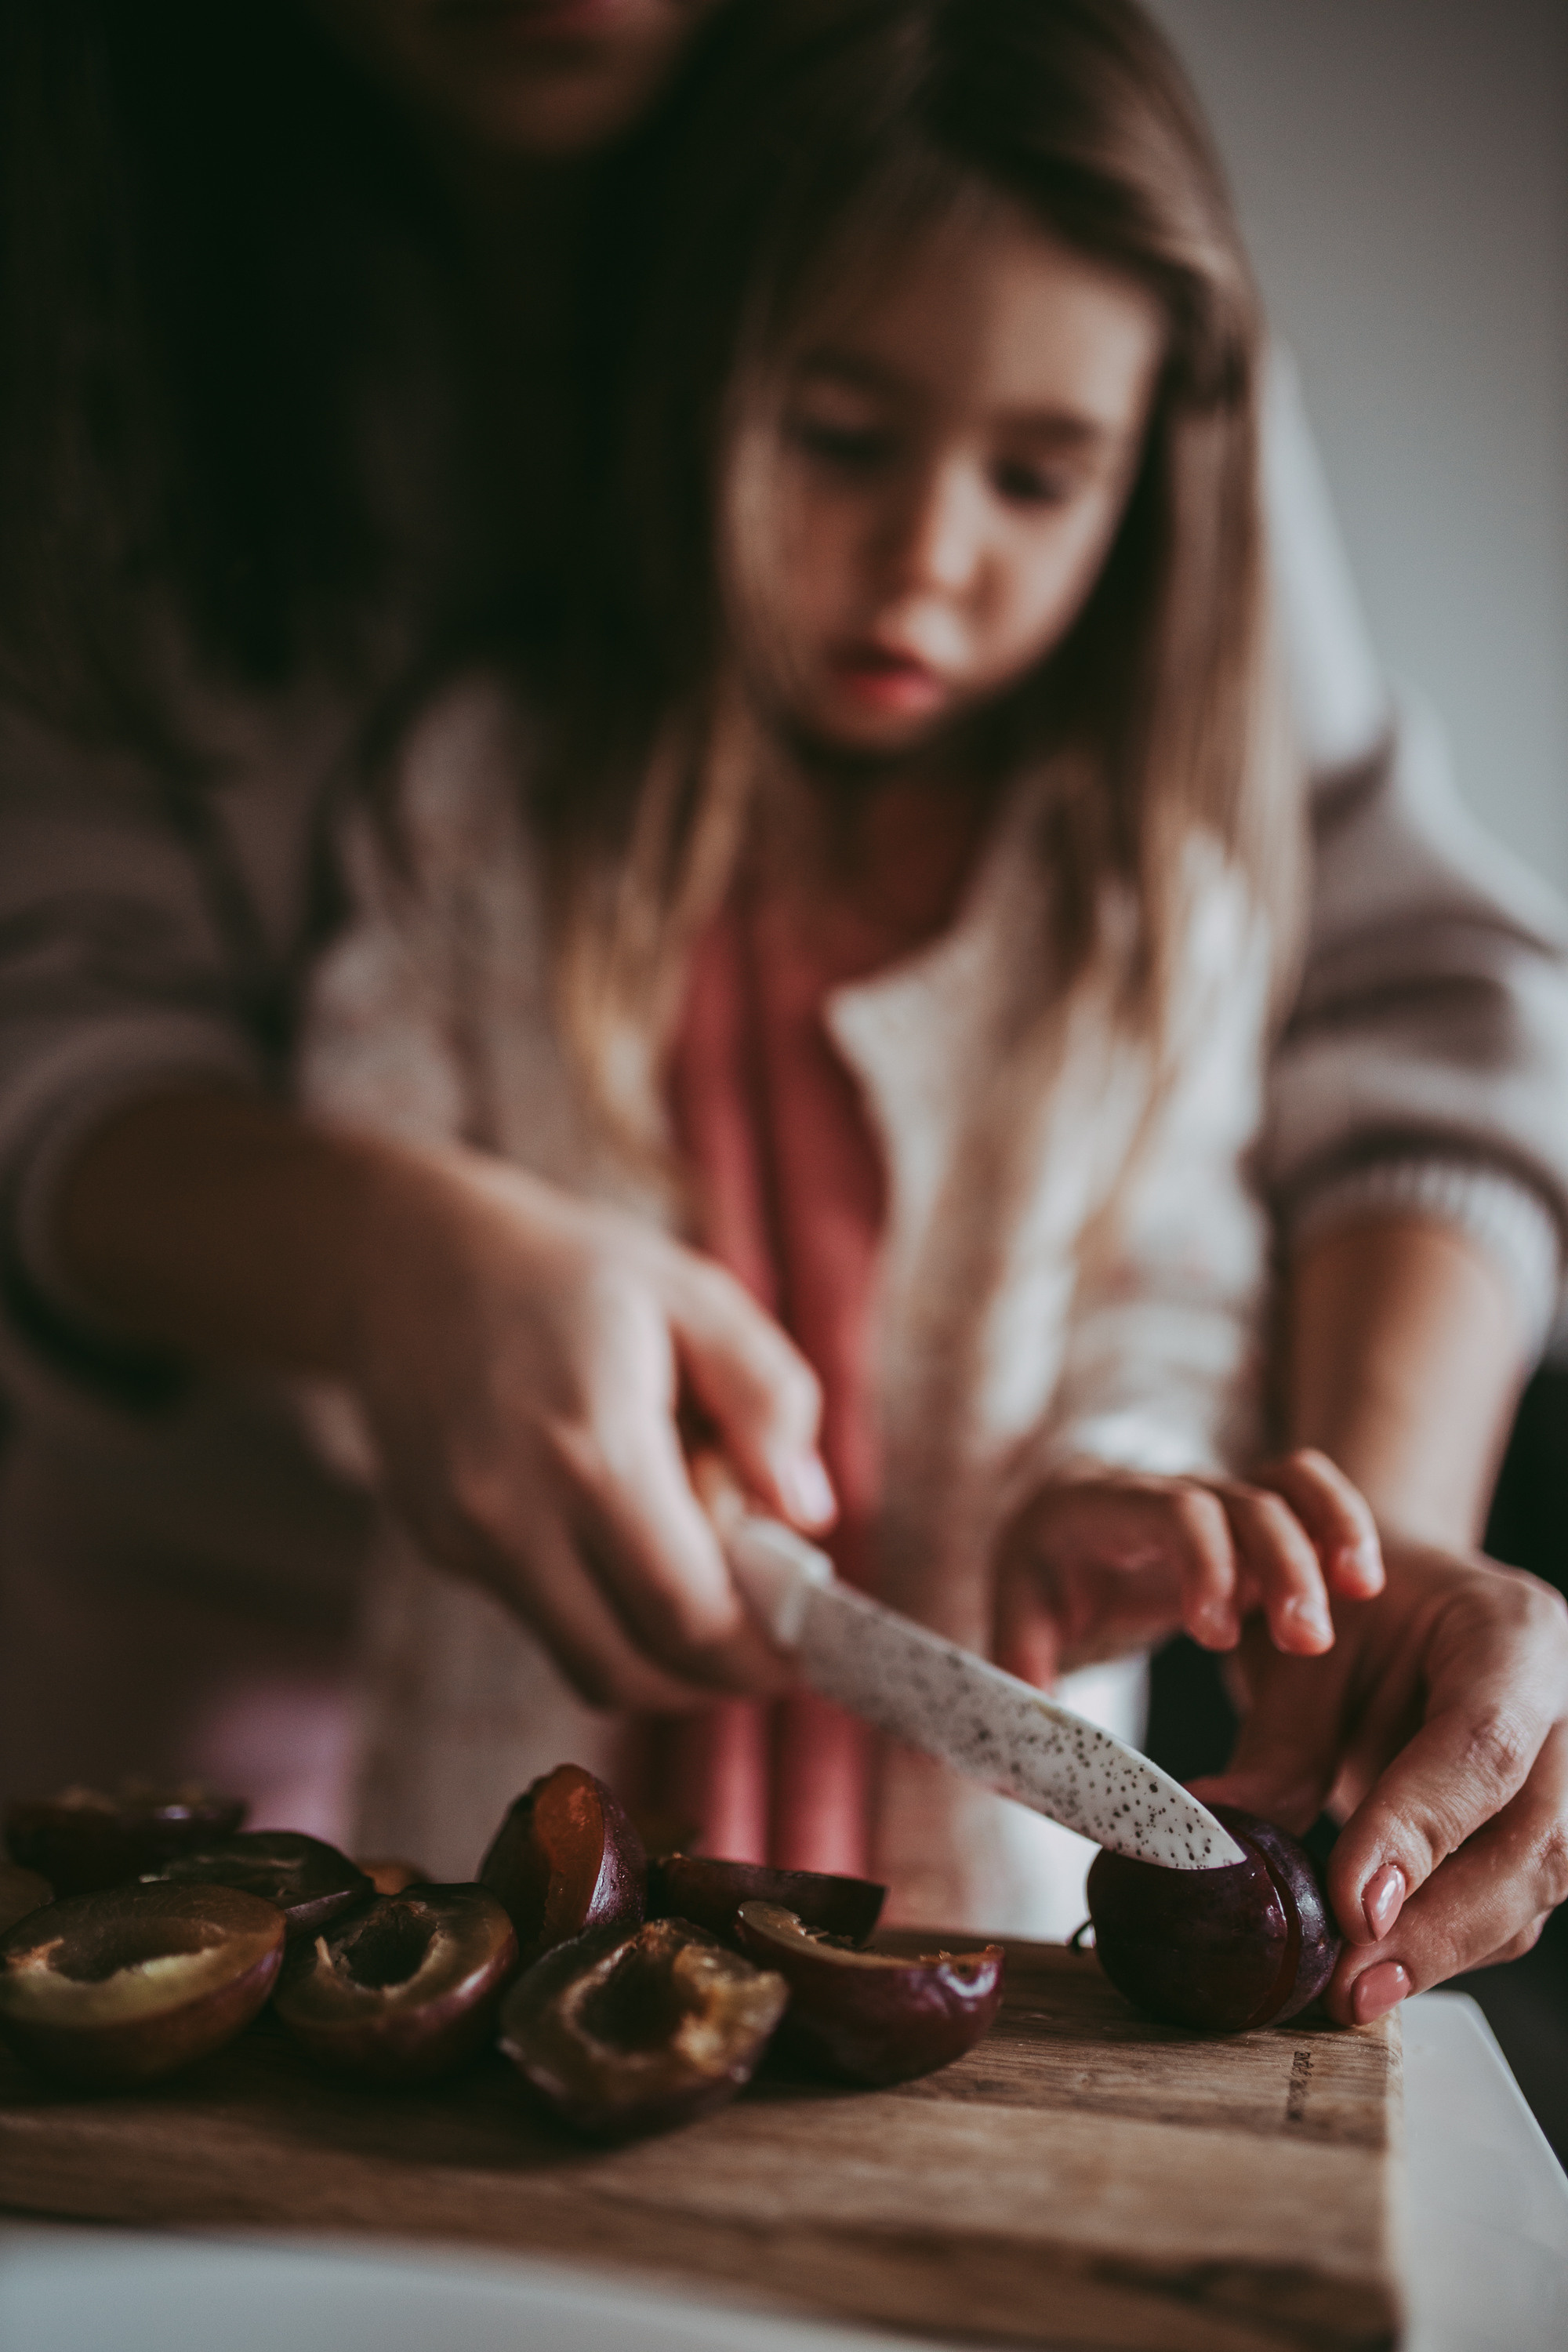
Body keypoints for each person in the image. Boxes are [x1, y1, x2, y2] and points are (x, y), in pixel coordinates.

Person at [0, 0, 1562, 2016]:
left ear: (1143, 484)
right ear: (687, 397)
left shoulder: (1130, 904)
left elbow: (1172, 1271)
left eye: (1037, 475)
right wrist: (397, 1297)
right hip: (437, 1767)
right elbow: (310, 1115)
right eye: (838, 440)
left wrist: (1145, 1481)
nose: (925, 559)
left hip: (953, 1870)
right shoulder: (475, 811)